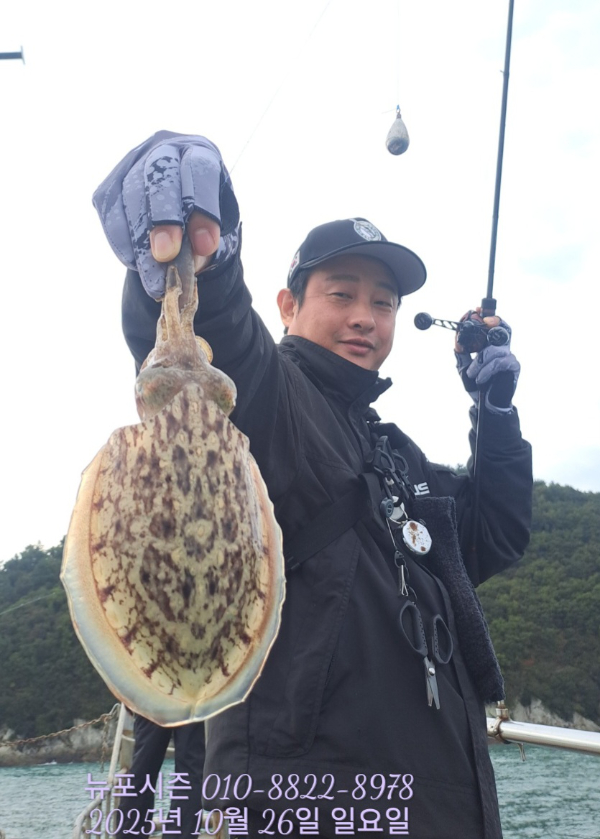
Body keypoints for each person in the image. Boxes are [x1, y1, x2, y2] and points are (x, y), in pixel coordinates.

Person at [94, 131, 532, 839]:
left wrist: (496, 415)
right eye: (341, 293)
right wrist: (207, 248)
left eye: (383, 302)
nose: (365, 316)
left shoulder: (392, 451)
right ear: (288, 305)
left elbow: (493, 536)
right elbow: (225, 340)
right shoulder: (277, 405)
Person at [116, 717, 205, 839]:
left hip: (152, 706)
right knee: (190, 773)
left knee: (142, 767)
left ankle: (129, 834)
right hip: (189, 706)